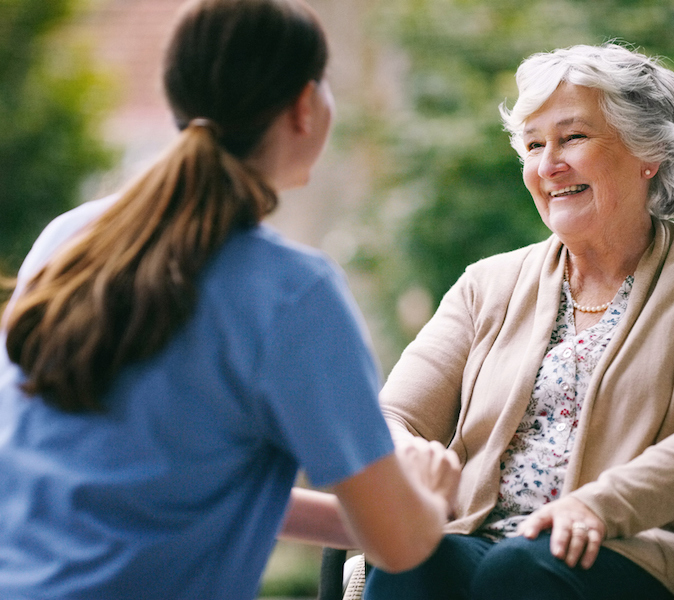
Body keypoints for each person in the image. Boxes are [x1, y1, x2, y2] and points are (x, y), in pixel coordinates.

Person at [0, 1, 460, 599]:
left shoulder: (70, 238)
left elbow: (159, 486)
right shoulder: (294, 293)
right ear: (304, 106)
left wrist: (368, 515)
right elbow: (403, 545)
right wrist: (431, 499)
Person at [362, 43, 674, 600]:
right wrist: (409, 454)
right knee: (410, 562)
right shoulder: (486, 283)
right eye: (534, 145)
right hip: (482, 537)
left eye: (573, 138)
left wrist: (600, 505)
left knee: (521, 571)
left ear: (646, 152)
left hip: (644, 548)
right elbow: (395, 415)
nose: (547, 165)